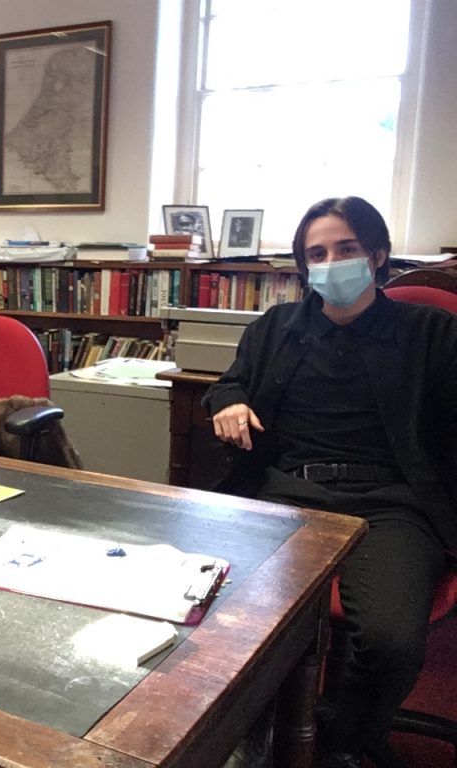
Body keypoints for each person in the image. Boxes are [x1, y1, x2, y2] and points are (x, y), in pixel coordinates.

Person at [203, 196, 457, 767]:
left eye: (346, 249)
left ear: (378, 254)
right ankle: (254, 728)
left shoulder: (430, 332)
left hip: (390, 503)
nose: (331, 262)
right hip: (286, 495)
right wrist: (231, 402)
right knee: (217, 615)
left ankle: (346, 743)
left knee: (391, 643)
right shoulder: (275, 328)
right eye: (316, 253)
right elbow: (227, 385)